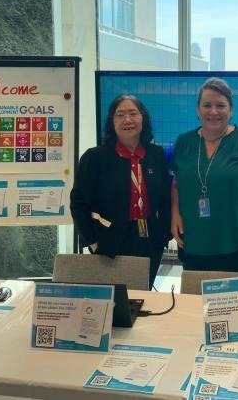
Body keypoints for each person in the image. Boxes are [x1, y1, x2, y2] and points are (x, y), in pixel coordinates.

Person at [70, 94, 171, 288]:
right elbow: (78, 203)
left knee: (144, 294)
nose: (127, 120)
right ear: (112, 121)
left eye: (133, 113)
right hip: (109, 241)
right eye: (120, 114)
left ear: (143, 118)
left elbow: (166, 199)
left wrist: (163, 235)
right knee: (116, 298)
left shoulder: (156, 154)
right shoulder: (95, 157)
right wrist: (93, 242)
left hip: (150, 239)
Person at [171, 77, 238, 272]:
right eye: (207, 105)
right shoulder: (184, 142)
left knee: (236, 292)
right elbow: (177, 183)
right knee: (194, 292)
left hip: (237, 240)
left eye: (220, 105)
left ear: (231, 109)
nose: (213, 111)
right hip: (194, 239)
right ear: (198, 109)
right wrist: (175, 214)